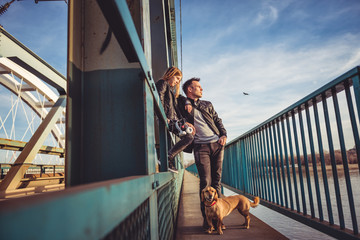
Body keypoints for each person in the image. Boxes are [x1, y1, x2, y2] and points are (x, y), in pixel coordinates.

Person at [178, 77, 227, 229]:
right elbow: (174, 95)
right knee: (206, 182)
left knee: (216, 181)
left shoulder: (207, 104)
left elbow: (217, 120)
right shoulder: (182, 104)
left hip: (217, 144)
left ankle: (219, 219)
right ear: (190, 90)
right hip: (200, 147)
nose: (201, 89)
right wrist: (186, 101)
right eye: (198, 87)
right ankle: (207, 222)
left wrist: (223, 135)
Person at [155, 67, 195, 171]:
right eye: (177, 78)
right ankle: (166, 159)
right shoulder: (162, 83)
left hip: (173, 121)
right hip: (167, 119)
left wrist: (185, 122)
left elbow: (179, 101)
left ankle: (167, 159)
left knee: (189, 136)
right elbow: (158, 100)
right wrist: (164, 117)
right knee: (189, 137)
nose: (177, 82)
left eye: (179, 80)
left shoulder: (171, 92)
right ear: (170, 74)